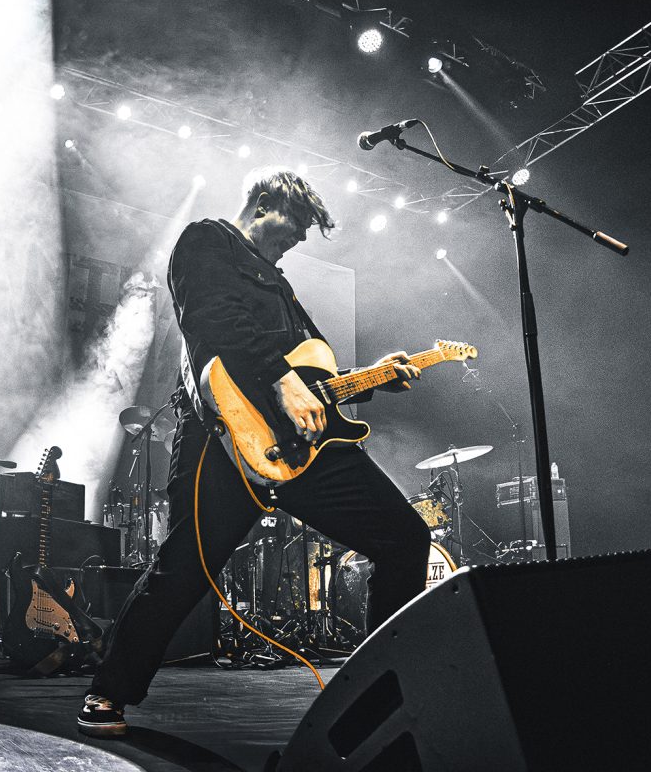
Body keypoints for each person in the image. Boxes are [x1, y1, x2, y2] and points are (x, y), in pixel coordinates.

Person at [78, 168, 431, 737]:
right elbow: (212, 318)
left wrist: (371, 377)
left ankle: (378, 698)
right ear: (264, 203)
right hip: (221, 434)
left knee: (405, 537)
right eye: (297, 222)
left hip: (301, 444)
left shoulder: (281, 287)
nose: (300, 237)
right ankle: (108, 691)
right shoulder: (206, 239)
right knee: (185, 566)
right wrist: (279, 379)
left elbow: (312, 373)